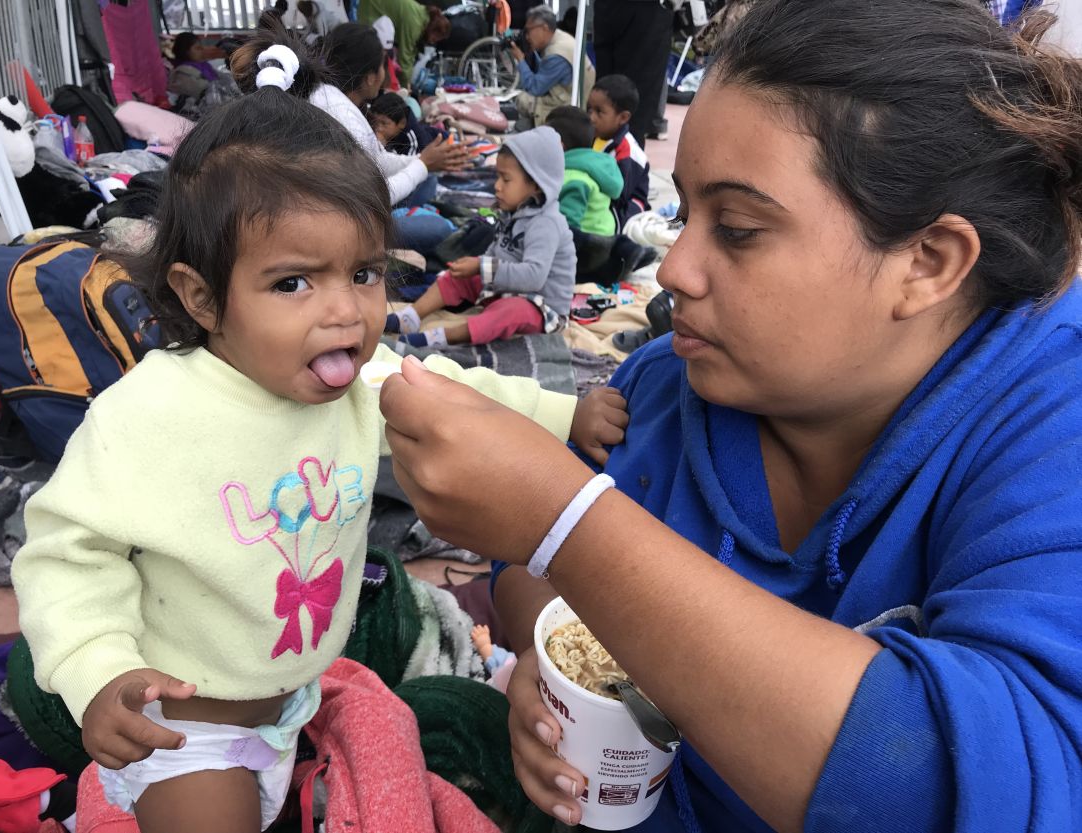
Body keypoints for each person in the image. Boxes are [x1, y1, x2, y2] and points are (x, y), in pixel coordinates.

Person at [376, 1, 1082, 831]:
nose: (675, 267)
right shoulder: (660, 387)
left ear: (928, 262)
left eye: (739, 228)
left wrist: (568, 520)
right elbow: (534, 577)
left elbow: (1008, 787)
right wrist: (548, 662)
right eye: (684, 214)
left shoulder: (1046, 433)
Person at [10, 31, 624, 833]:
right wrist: (98, 673)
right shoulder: (149, 417)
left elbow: (448, 393)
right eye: (293, 282)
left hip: (294, 695)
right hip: (188, 721)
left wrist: (564, 412)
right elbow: (65, 549)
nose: (345, 310)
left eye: (364, 273)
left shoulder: (354, 387)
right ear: (200, 298)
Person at [384, 126, 576, 348]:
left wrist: (481, 266)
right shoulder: (514, 212)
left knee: (511, 311)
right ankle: (410, 317)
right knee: (457, 276)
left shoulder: (546, 223)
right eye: (497, 177)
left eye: (506, 179)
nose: (496, 186)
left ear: (536, 184)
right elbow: (497, 250)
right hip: (507, 287)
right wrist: (474, 268)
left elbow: (534, 277)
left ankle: (441, 337)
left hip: (541, 306)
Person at [309, 24, 467, 245]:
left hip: (352, 206)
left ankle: (417, 209)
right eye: (383, 67)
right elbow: (374, 196)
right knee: (438, 229)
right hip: (346, 224)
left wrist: (426, 161)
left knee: (428, 180)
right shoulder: (340, 113)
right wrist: (422, 165)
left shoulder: (333, 98)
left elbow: (377, 161)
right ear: (370, 78)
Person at [592, 0, 672, 146]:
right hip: (648, 12)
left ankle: (604, 155)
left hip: (613, 9)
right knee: (636, 100)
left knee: (605, 90)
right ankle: (625, 160)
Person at [512, 5, 594, 129]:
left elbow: (534, 88)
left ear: (544, 28)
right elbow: (544, 72)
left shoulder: (556, 53)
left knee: (522, 99)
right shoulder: (560, 37)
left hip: (568, 107)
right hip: (573, 97)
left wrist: (520, 60)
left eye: (529, 31)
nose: (527, 37)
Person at [546, 105, 623, 236]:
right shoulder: (594, 166)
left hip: (588, 247)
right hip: (605, 236)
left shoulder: (574, 180)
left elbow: (567, 228)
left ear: (559, 145)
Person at [588, 74, 650, 229]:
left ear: (622, 118)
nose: (591, 118)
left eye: (599, 112)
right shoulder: (594, 135)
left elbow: (619, 194)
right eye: (589, 109)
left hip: (627, 206)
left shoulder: (627, 152)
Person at [357, 0, 450, 83]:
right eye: (434, 38)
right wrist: (406, 85)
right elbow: (404, 59)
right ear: (433, 29)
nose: (432, 42)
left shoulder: (422, 16)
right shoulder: (414, 24)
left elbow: (412, 51)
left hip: (372, 5)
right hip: (372, 9)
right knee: (372, 59)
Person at [168, 32, 218, 99]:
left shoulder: (204, 65)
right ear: (185, 51)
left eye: (201, 47)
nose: (202, 51)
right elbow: (207, 91)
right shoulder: (183, 72)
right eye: (197, 48)